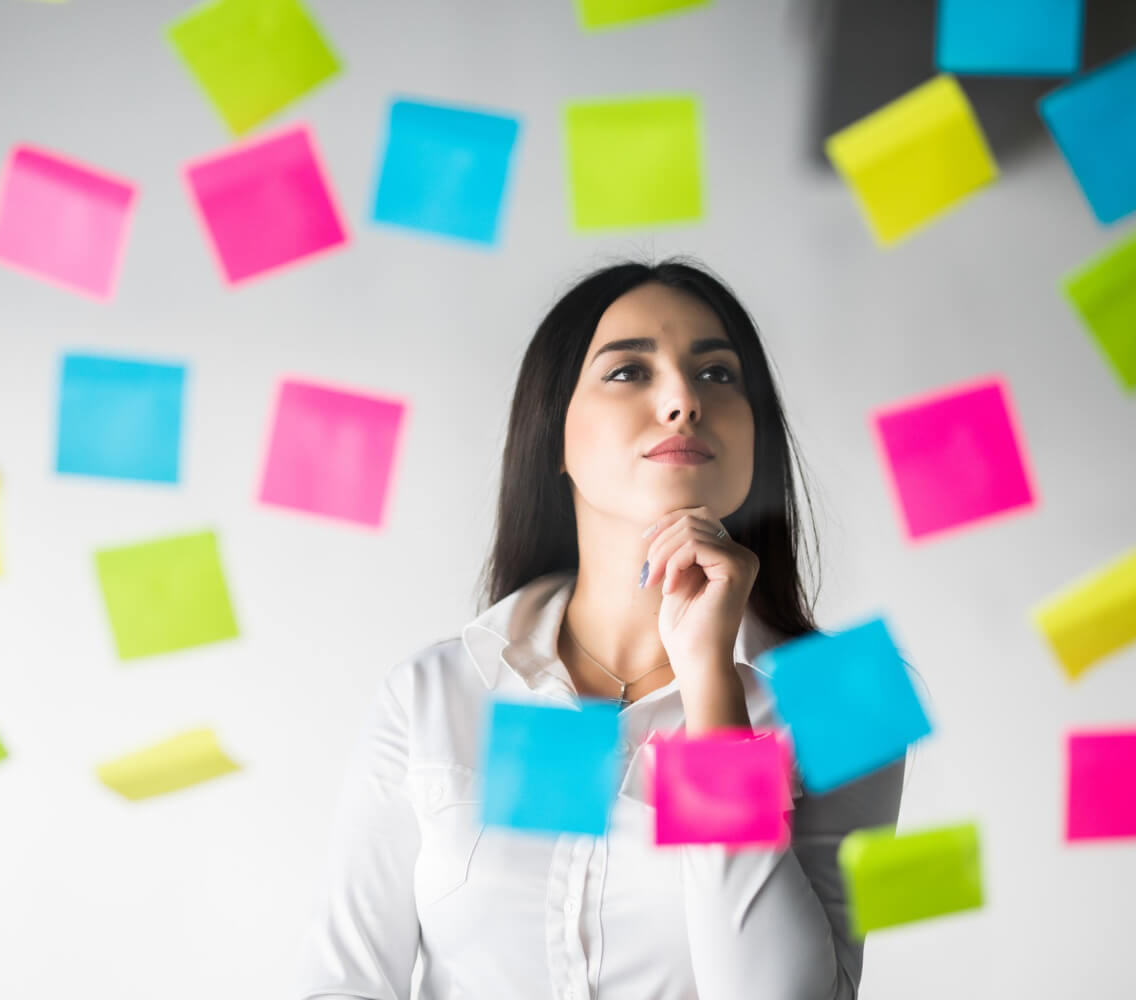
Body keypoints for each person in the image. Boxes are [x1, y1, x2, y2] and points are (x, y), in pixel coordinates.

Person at [292, 258, 905, 999]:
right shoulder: (434, 692)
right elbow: (345, 983)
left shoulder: (852, 698)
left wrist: (713, 688)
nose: (682, 400)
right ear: (553, 431)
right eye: (628, 373)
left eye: (718, 375)